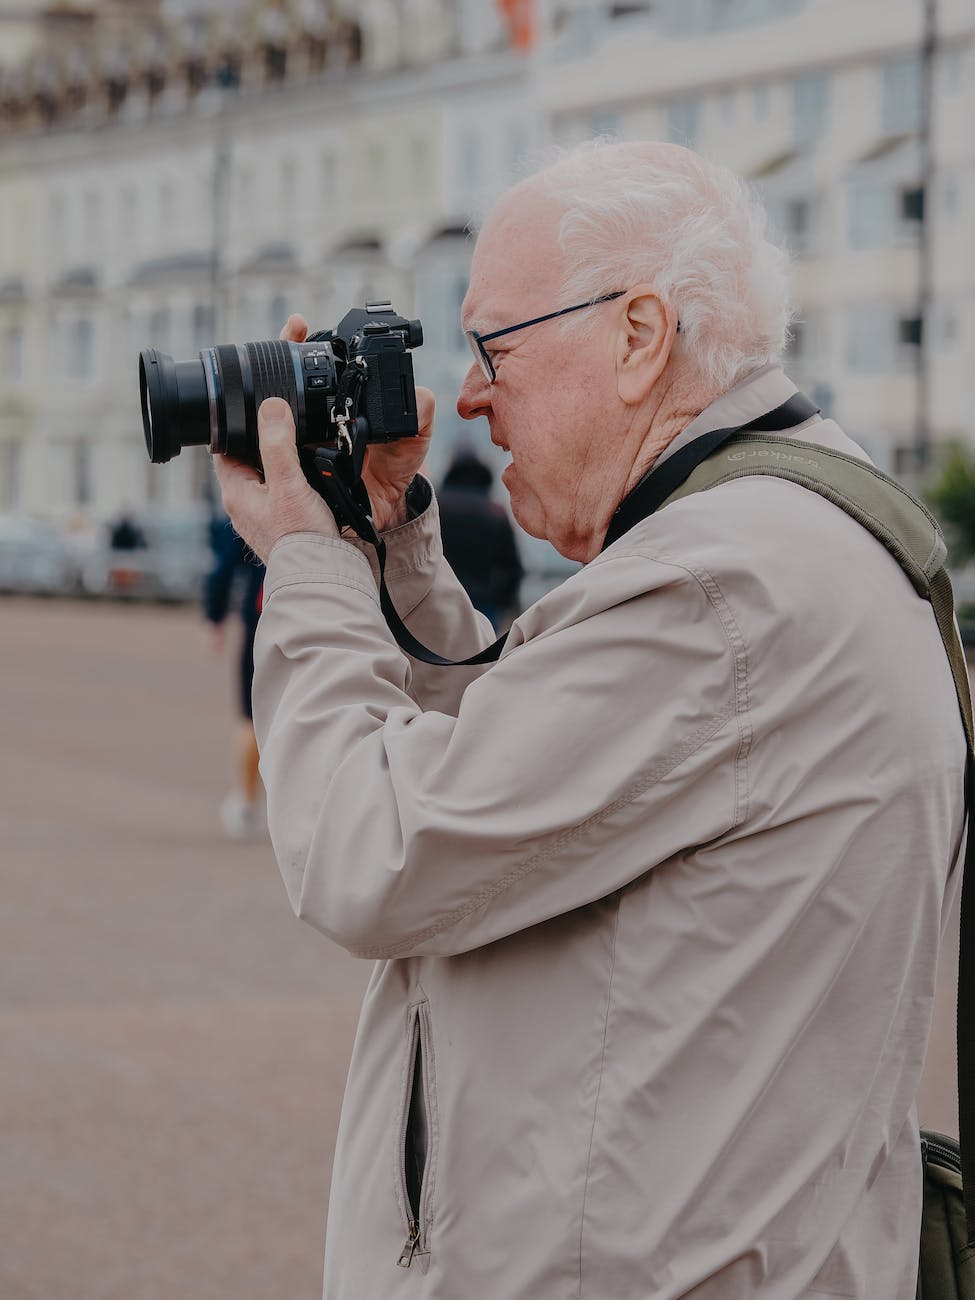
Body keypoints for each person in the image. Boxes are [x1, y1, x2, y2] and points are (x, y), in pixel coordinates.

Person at [214, 141, 965, 1298]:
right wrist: (392, 537)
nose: (466, 397)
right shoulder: (780, 533)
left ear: (639, 335)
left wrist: (306, 565)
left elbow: (376, 850)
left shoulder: (725, 587)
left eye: (493, 348)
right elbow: (523, 778)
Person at [203, 513, 266, 840]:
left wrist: (215, 618)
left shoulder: (255, 500)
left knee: (250, 717)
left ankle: (245, 801)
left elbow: (223, 567)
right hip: (320, 617)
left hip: (262, 622)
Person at [437, 449, 523, 628]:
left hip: (438, 600)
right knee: (482, 654)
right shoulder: (495, 512)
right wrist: (502, 600)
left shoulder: (436, 507)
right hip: (484, 606)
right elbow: (513, 568)